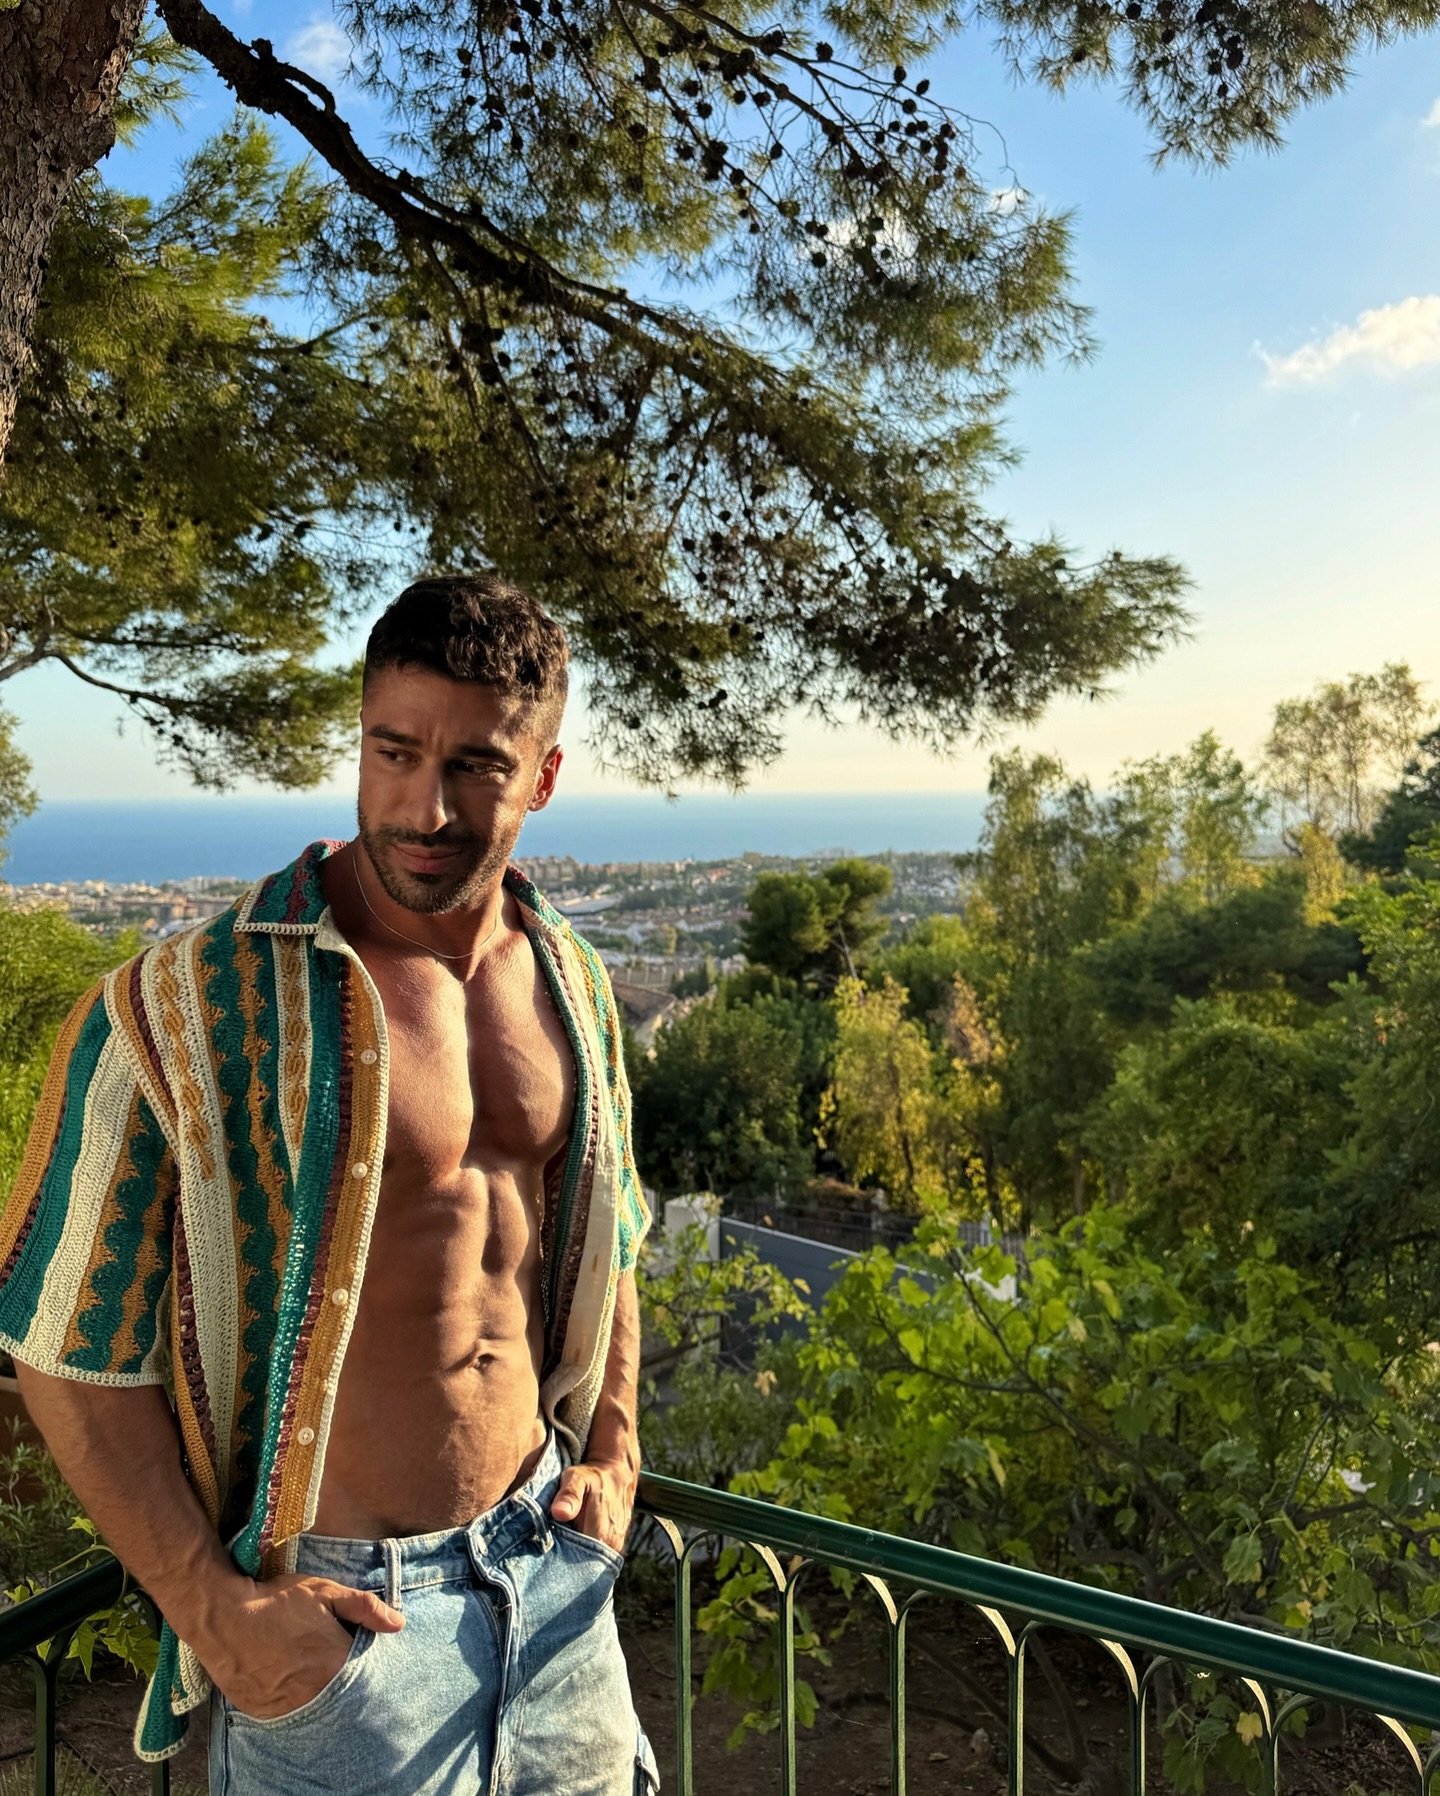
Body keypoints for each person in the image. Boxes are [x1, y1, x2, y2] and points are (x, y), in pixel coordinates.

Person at [0, 575, 657, 1795]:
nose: (425, 805)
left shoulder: (570, 979)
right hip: (344, 1633)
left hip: (556, 1578)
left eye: (476, 765)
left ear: (544, 777)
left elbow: (614, 1232)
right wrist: (218, 1612)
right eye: (394, 751)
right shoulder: (183, 1006)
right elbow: (59, 1339)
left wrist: (614, 1451)